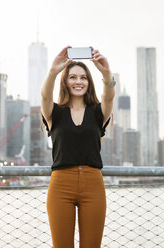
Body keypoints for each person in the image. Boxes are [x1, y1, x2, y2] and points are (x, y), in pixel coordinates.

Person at [41, 46, 115, 248]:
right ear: (65, 82)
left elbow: (109, 97)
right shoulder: (53, 113)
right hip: (61, 185)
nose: (78, 82)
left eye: (83, 77)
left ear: (89, 82)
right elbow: (45, 97)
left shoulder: (98, 112)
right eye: (72, 77)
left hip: (93, 185)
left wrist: (106, 72)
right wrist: (53, 71)